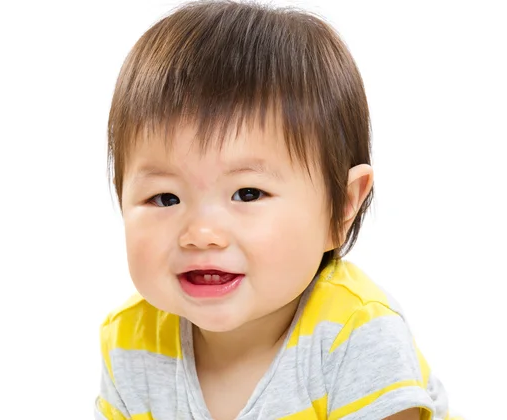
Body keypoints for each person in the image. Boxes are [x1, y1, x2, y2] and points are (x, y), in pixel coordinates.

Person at [95, 1, 461, 419]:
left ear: (341, 209)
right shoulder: (130, 341)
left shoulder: (355, 335)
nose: (200, 233)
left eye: (247, 193)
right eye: (165, 199)